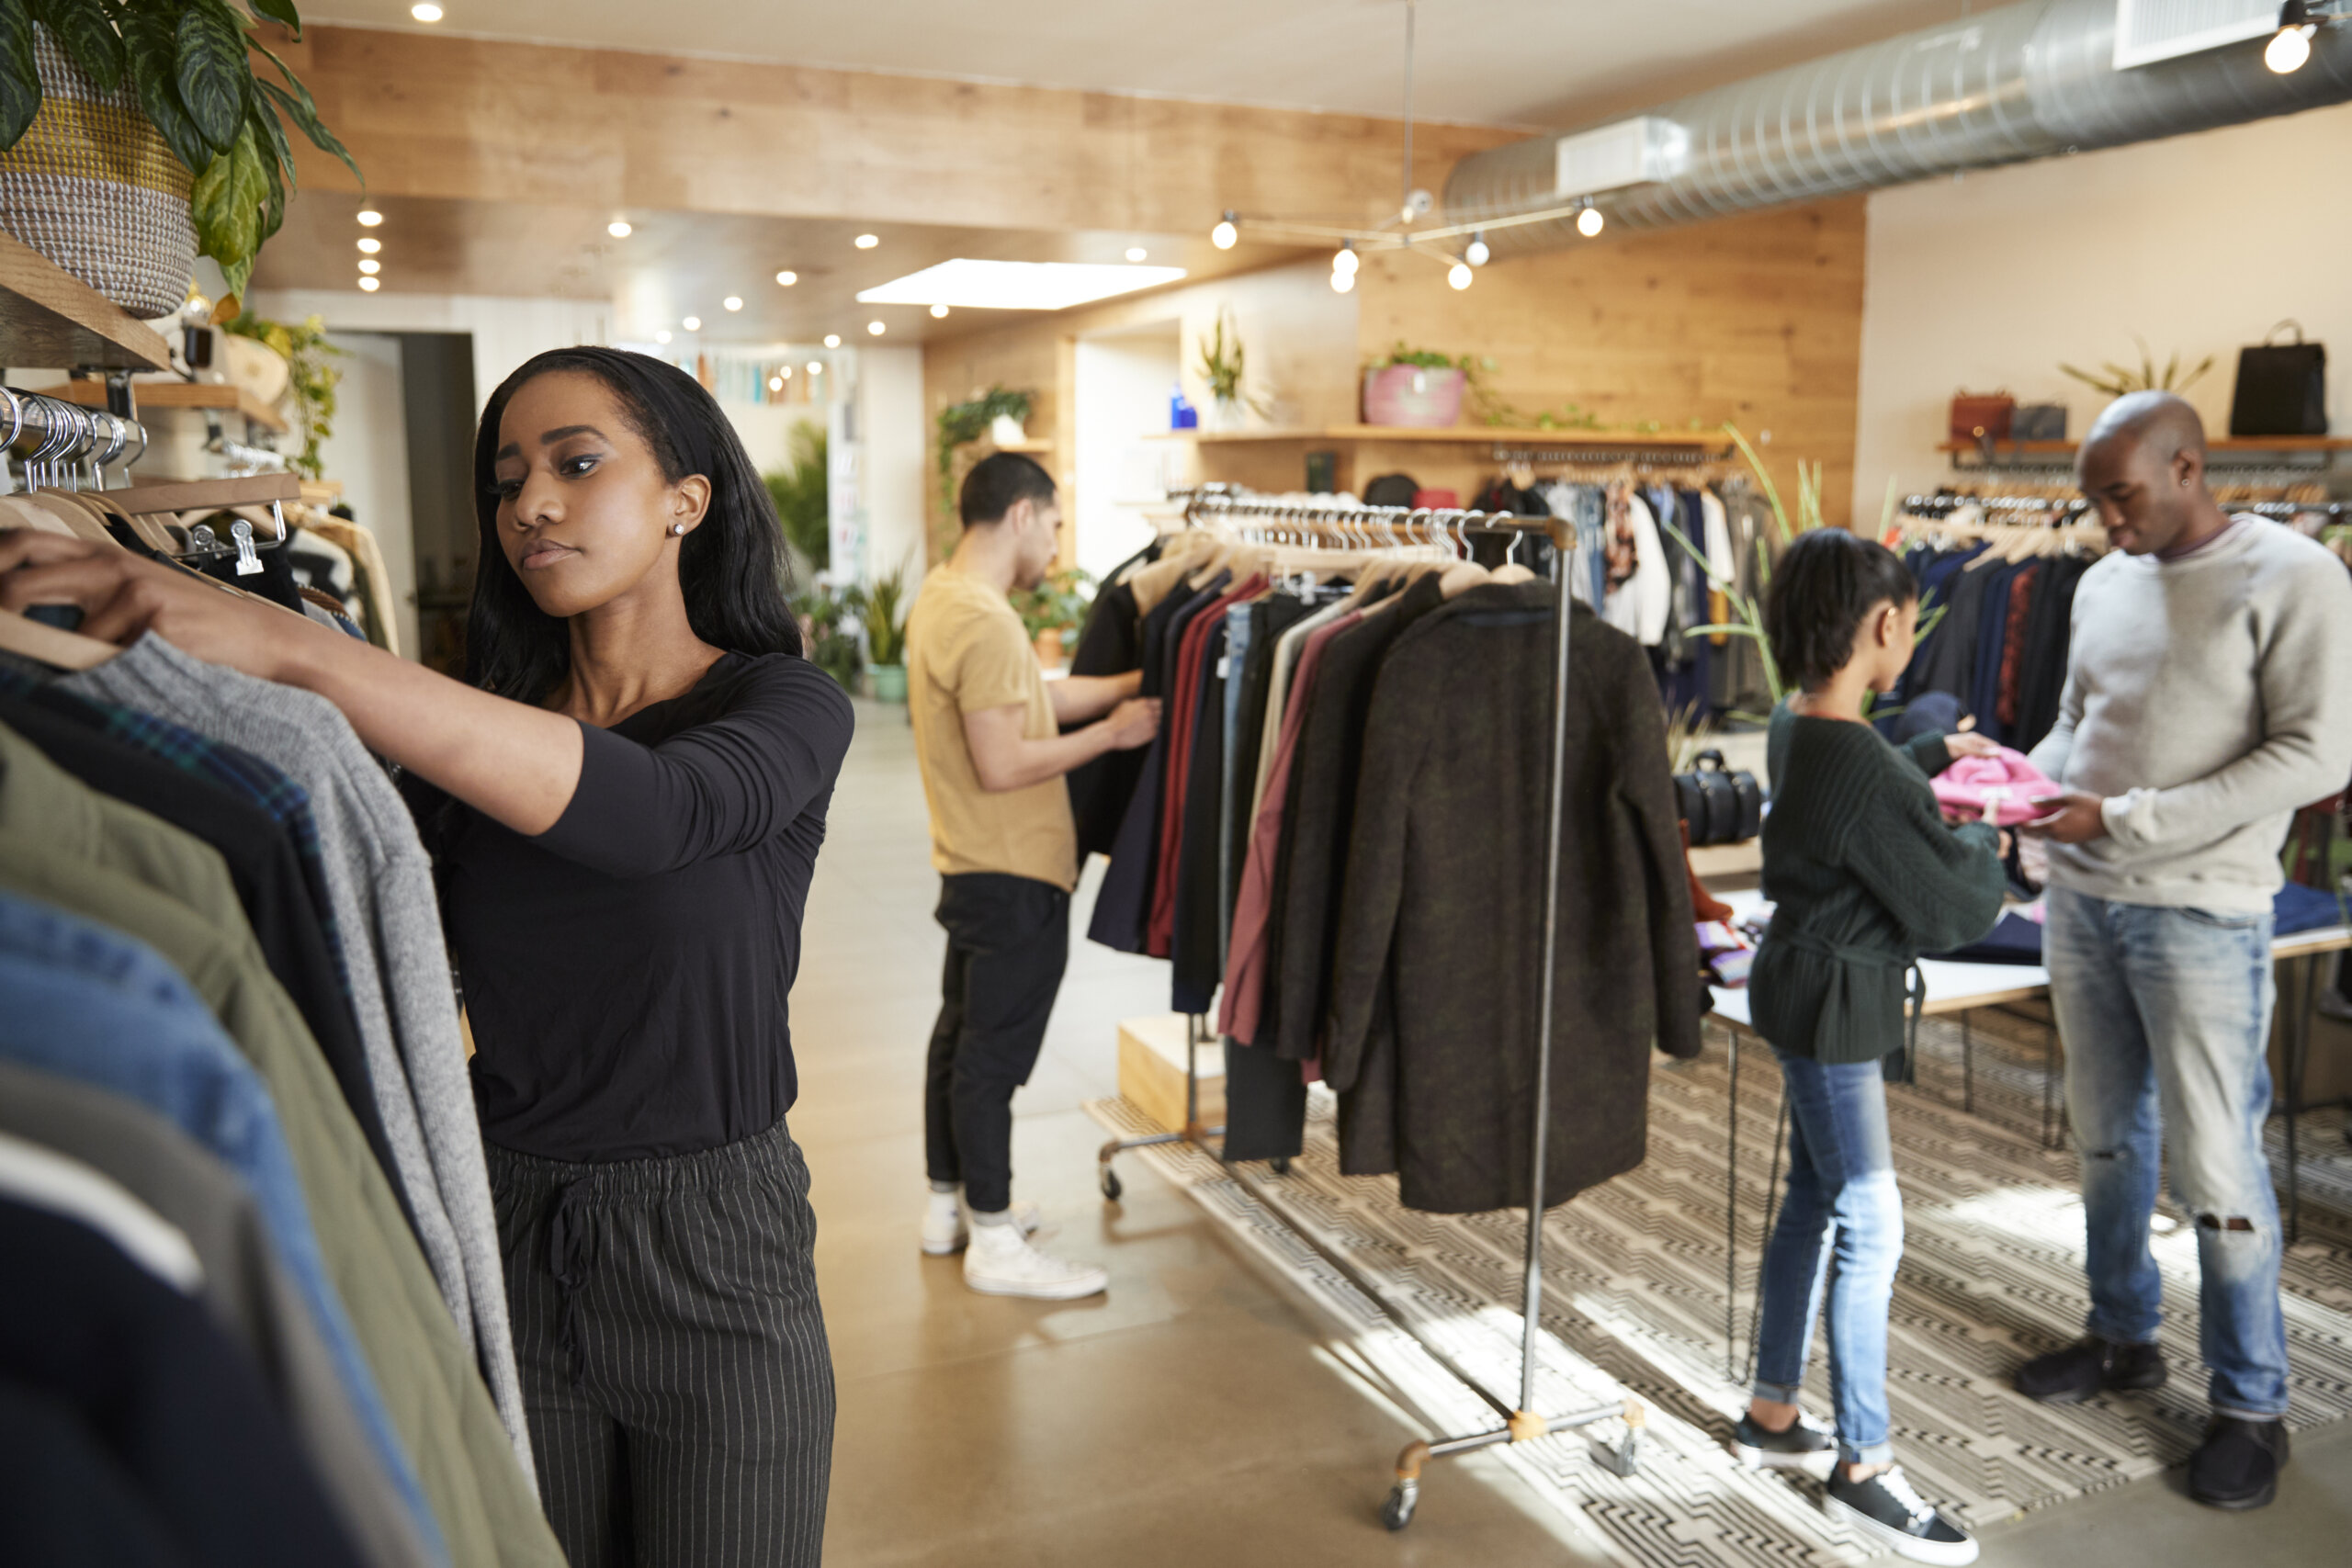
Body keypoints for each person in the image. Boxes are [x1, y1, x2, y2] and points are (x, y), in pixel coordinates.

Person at [0, 347, 854, 1567]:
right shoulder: (464, 734)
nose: (530, 506)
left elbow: (658, 813)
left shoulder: (780, 704)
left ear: (687, 496)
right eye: (507, 480)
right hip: (501, 1219)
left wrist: (294, 648)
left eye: (576, 462)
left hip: (716, 1247)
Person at [2016, 391, 2352, 1511]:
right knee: (2106, 1141)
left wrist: (2123, 817)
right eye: (2093, 503)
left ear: (2188, 467)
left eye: (2122, 496)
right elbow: (2076, 718)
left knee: (2216, 1162)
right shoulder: (2103, 581)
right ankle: (2120, 1335)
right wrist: (2017, 784)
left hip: (2201, 912)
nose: (2106, 522)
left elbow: (2313, 756)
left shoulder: (2296, 577)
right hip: (2082, 900)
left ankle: (2251, 1403)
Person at [1732, 528, 2005, 1566]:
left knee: (1813, 1198)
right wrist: (1992, 838)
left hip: (1799, 984)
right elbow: (1947, 905)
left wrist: (1934, 758)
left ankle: (1769, 1409)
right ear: (1886, 625)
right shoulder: (1855, 759)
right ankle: (1863, 1464)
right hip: (1835, 1004)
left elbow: (1861, 780)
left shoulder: (1794, 725)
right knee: (1871, 1223)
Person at [904, 453, 1159, 1300]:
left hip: (973, 865)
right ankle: (995, 1237)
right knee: (990, 1063)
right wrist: (1115, 734)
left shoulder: (947, 600)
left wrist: (1129, 684)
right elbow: (1006, 758)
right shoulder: (985, 622)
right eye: (1054, 525)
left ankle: (952, 1209)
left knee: (958, 1043)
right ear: (1020, 513)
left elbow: (1022, 697)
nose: (1056, 544)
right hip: (1015, 873)